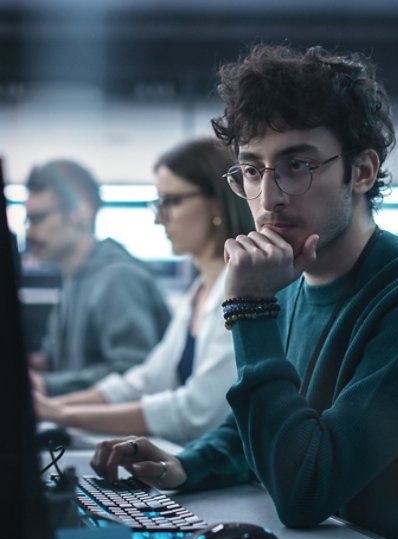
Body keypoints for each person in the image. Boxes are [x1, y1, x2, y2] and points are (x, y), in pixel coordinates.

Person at [91, 44, 398, 539]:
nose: (269, 197)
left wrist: (251, 308)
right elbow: (259, 437)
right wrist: (181, 467)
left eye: (297, 164)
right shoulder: (287, 285)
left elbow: (306, 489)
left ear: (362, 172)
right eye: (253, 170)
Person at [34, 138, 255, 445]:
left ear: (216, 201)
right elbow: (146, 380)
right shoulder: (199, 291)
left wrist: (61, 413)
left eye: (172, 202)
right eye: (158, 203)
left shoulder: (241, 289)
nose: (157, 217)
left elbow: (196, 411)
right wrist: (55, 407)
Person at [25, 159, 171, 396]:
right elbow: (54, 360)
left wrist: (49, 385)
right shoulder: (73, 277)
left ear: (80, 213)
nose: (29, 232)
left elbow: (133, 373)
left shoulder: (118, 278)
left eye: (37, 218)